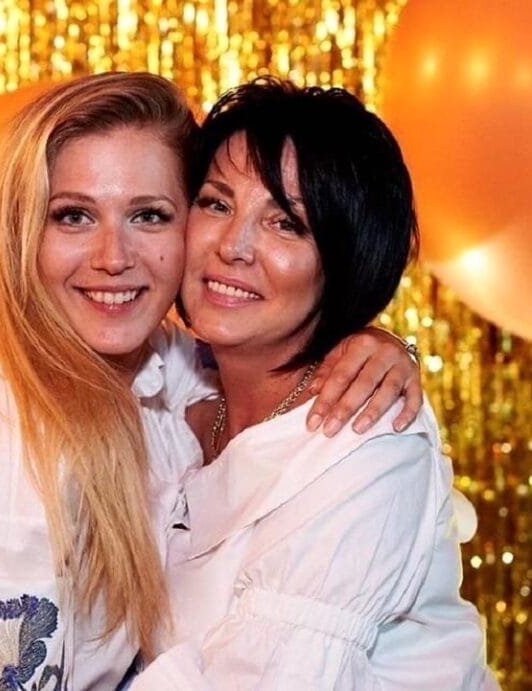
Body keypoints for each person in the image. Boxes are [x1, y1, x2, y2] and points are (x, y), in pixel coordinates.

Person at [0, 73, 422, 691]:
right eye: (73, 216)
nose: (112, 257)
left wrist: (377, 342)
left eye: (149, 215)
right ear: (22, 233)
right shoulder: (12, 449)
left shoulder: (165, 370)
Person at [131, 80, 498, 689]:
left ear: (345, 263)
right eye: (216, 204)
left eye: (286, 224)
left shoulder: (362, 442)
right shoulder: (170, 387)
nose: (233, 247)